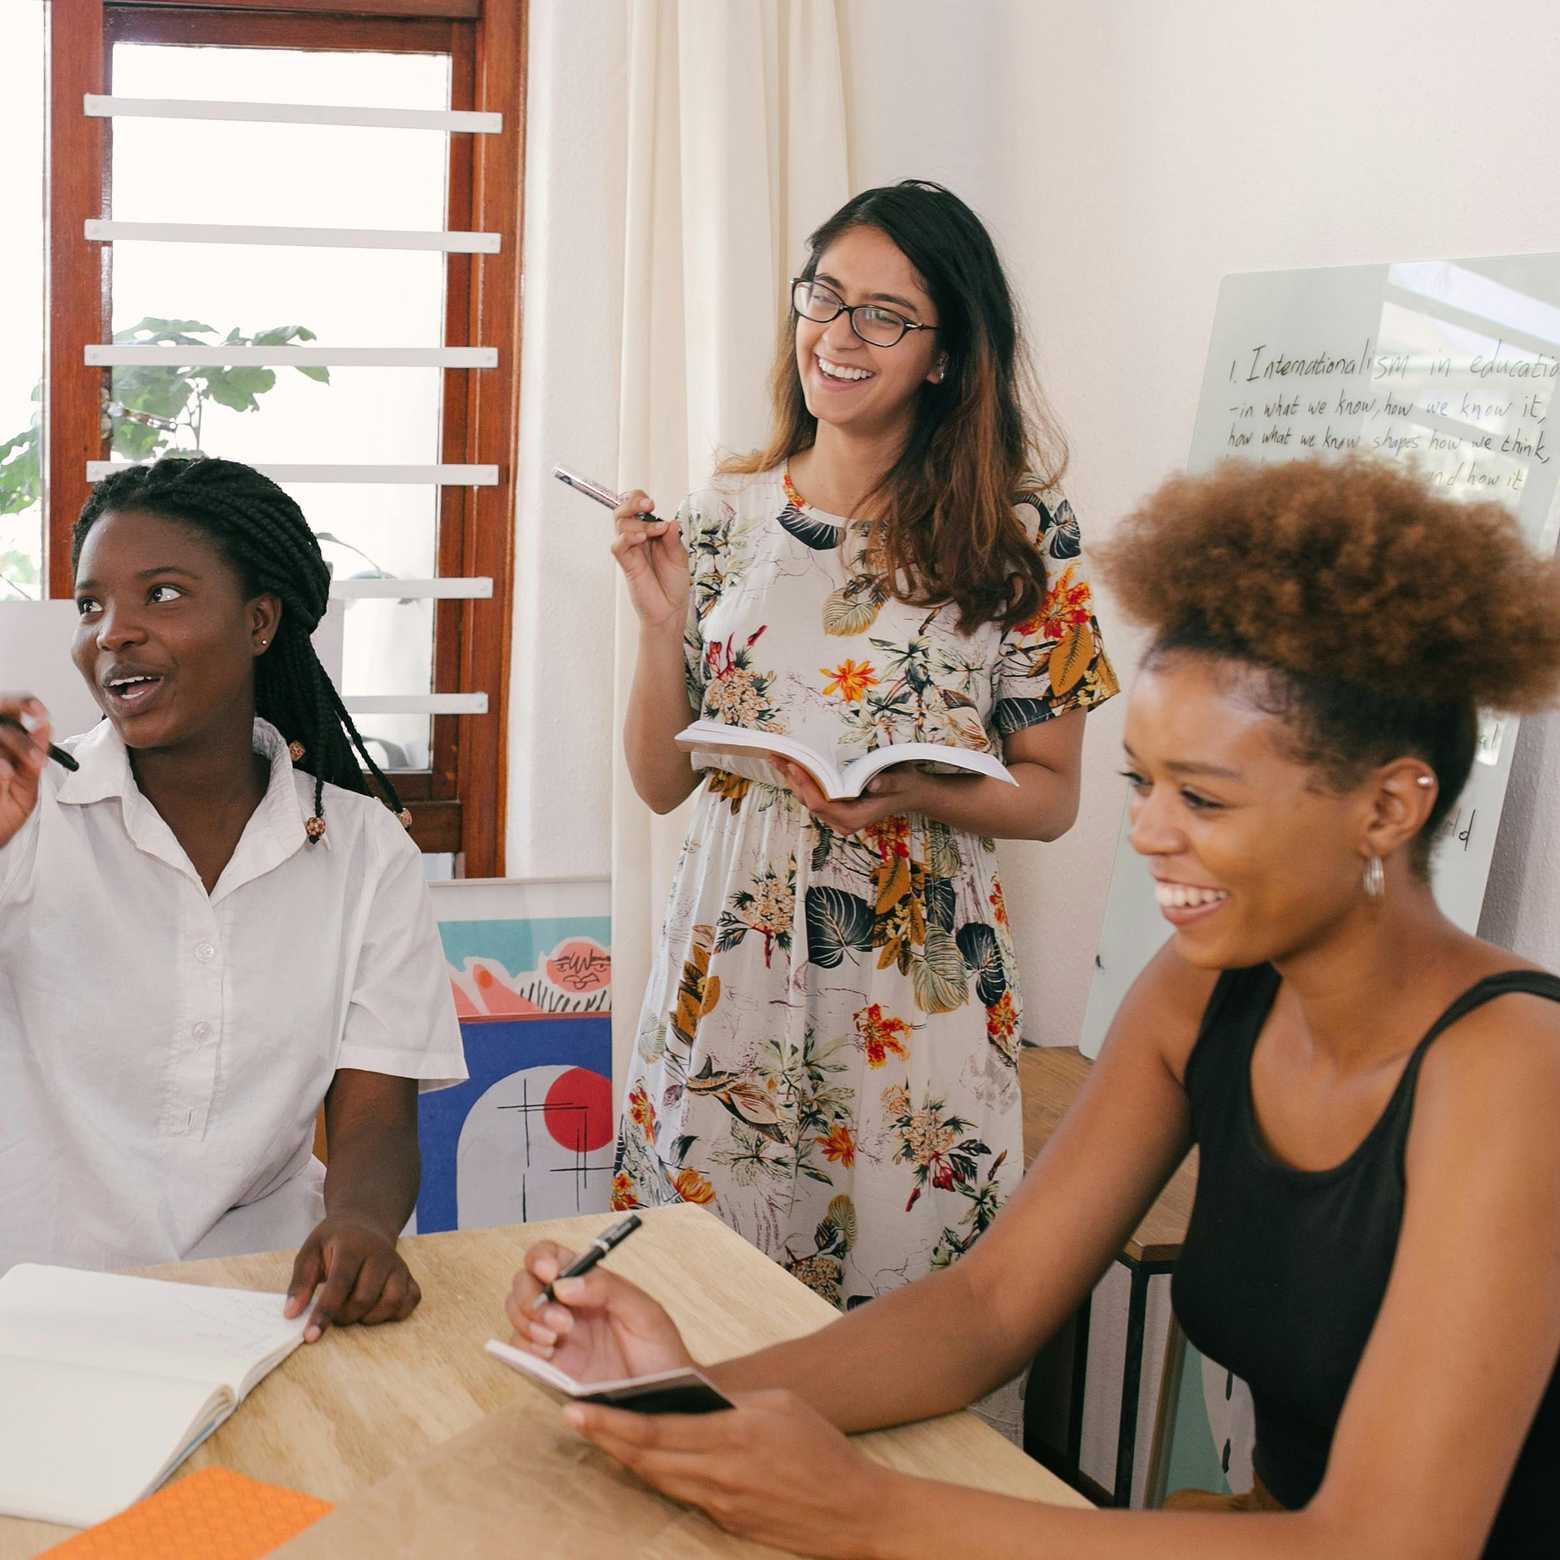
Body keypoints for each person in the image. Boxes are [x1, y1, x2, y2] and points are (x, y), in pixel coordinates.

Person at [510, 456, 1560, 1557]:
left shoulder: (1512, 1070)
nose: (1150, 835)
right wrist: (683, 1394)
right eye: (1141, 785)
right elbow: (989, 1308)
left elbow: (1387, 1543)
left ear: (1390, 805)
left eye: (1201, 797)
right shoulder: (1200, 998)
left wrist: (869, 1513)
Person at [608, 180, 1117, 1312]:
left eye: (886, 313)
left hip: (914, 991)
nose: (840, 336)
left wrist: (914, 795)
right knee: (696, 1319)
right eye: (826, 298)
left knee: (905, 1323)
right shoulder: (720, 516)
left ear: (945, 356)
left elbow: (1051, 799)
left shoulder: (1026, 535)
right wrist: (657, 627)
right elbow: (657, 785)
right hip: (724, 973)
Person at [0, 456, 466, 1340]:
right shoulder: (28, 819)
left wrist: (361, 1228)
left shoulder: (363, 850)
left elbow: (374, 1115)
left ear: (259, 621)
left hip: (265, 1313)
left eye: (163, 595)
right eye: (91, 605)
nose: (114, 633)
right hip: (36, 1319)